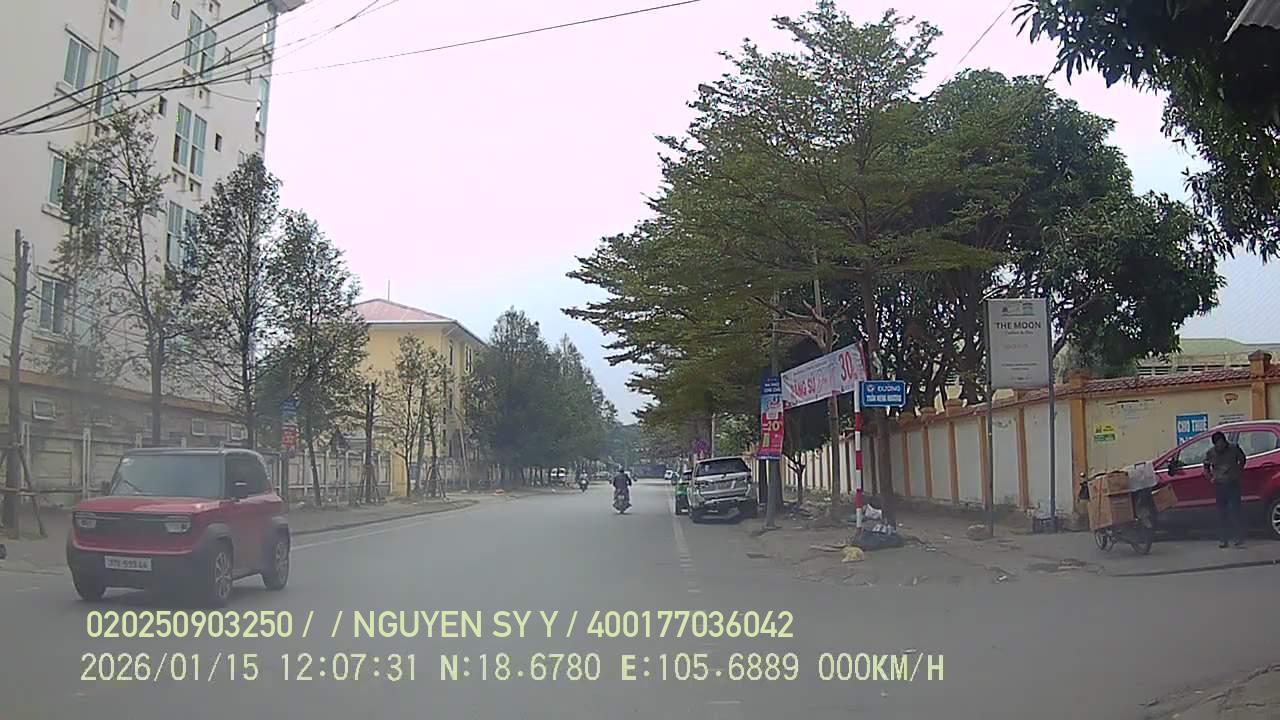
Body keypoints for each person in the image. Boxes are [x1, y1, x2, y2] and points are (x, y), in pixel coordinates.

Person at [1203, 431, 1247, 548]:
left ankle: (1238, 537)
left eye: (1221, 442)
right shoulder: (1211, 453)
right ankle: (1223, 539)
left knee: (1235, 510)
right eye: (1217, 443)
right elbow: (1206, 466)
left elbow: (1242, 459)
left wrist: (1238, 471)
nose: (1220, 445)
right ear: (1214, 444)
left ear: (1224, 441)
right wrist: (1210, 477)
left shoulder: (1233, 448)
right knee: (1221, 513)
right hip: (1220, 485)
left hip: (1233, 483)